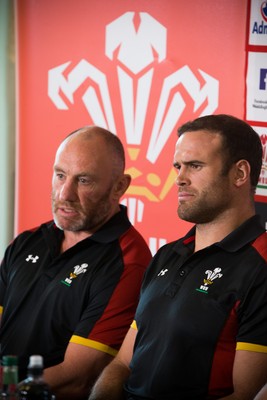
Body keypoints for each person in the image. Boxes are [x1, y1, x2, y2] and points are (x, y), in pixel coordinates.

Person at [89, 114, 267, 400]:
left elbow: (245, 394)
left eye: (195, 166)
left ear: (240, 174)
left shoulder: (260, 266)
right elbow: (123, 363)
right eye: (177, 166)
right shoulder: (166, 255)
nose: (180, 179)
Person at [0, 126, 152, 399]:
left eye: (83, 181)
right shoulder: (28, 241)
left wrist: (8, 388)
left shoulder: (129, 261)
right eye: (60, 175)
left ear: (120, 186)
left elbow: (77, 378)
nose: (64, 194)